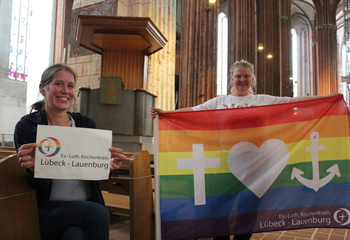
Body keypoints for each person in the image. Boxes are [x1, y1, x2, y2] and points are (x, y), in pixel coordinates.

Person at [150, 59, 339, 240]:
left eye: (246, 76)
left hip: (256, 165)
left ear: (253, 79)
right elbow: (194, 110)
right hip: (224, 164)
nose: (242, 80)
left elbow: (293, 101)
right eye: (238, 76)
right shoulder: (219, 102)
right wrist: (166, 113)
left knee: (249, 207)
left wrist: (328, 98)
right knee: (220, 206)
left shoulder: (262, 100)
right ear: (231, 79)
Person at [14, 63, 128, 240]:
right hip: (48, 208)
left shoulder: (86, 123)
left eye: (70, 86)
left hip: (85, 204)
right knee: (97, 214)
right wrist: (34, 169)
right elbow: (32, 186)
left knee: (75, 235)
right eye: (59, 84)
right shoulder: (27, 126)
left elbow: (94, 168)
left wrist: (109, 166)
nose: (65, 90)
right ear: (43, 89)